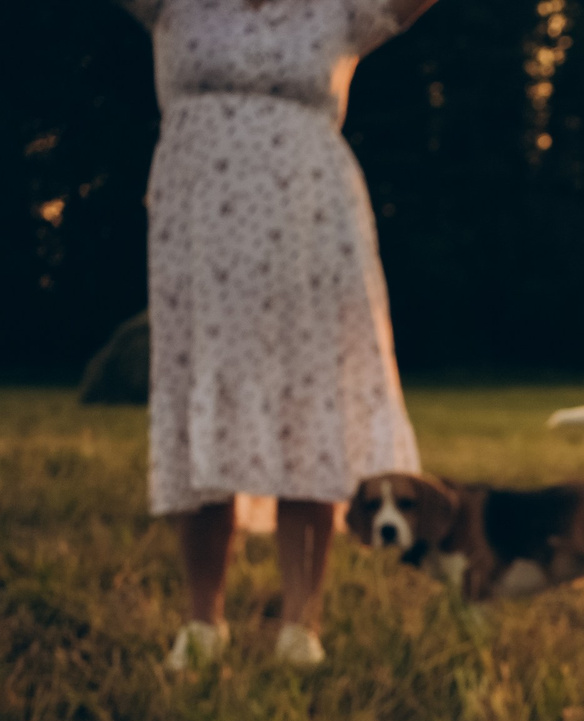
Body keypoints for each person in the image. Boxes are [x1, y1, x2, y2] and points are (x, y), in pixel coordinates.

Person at [120, 0, 437, 674]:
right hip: (200, 230)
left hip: (311, 228)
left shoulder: (341, 9)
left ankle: (301, 626)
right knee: (207, 401)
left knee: (309, 408)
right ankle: (203, 623)